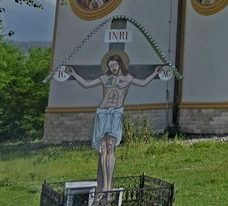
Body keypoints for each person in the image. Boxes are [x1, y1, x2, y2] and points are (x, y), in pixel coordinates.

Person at [64, 55, 168, 197]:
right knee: (103, 150)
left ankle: (108, 186)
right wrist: (74, 74)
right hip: (102, 113)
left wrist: (156, 73)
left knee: (111, 147)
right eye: (110, 66)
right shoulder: (105, 78)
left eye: (114, 65)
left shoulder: (127, 78)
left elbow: (143, 83)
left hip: (116, 114)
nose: (112, 68)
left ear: (120, 64)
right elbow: (87, 84)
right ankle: (103, 188)